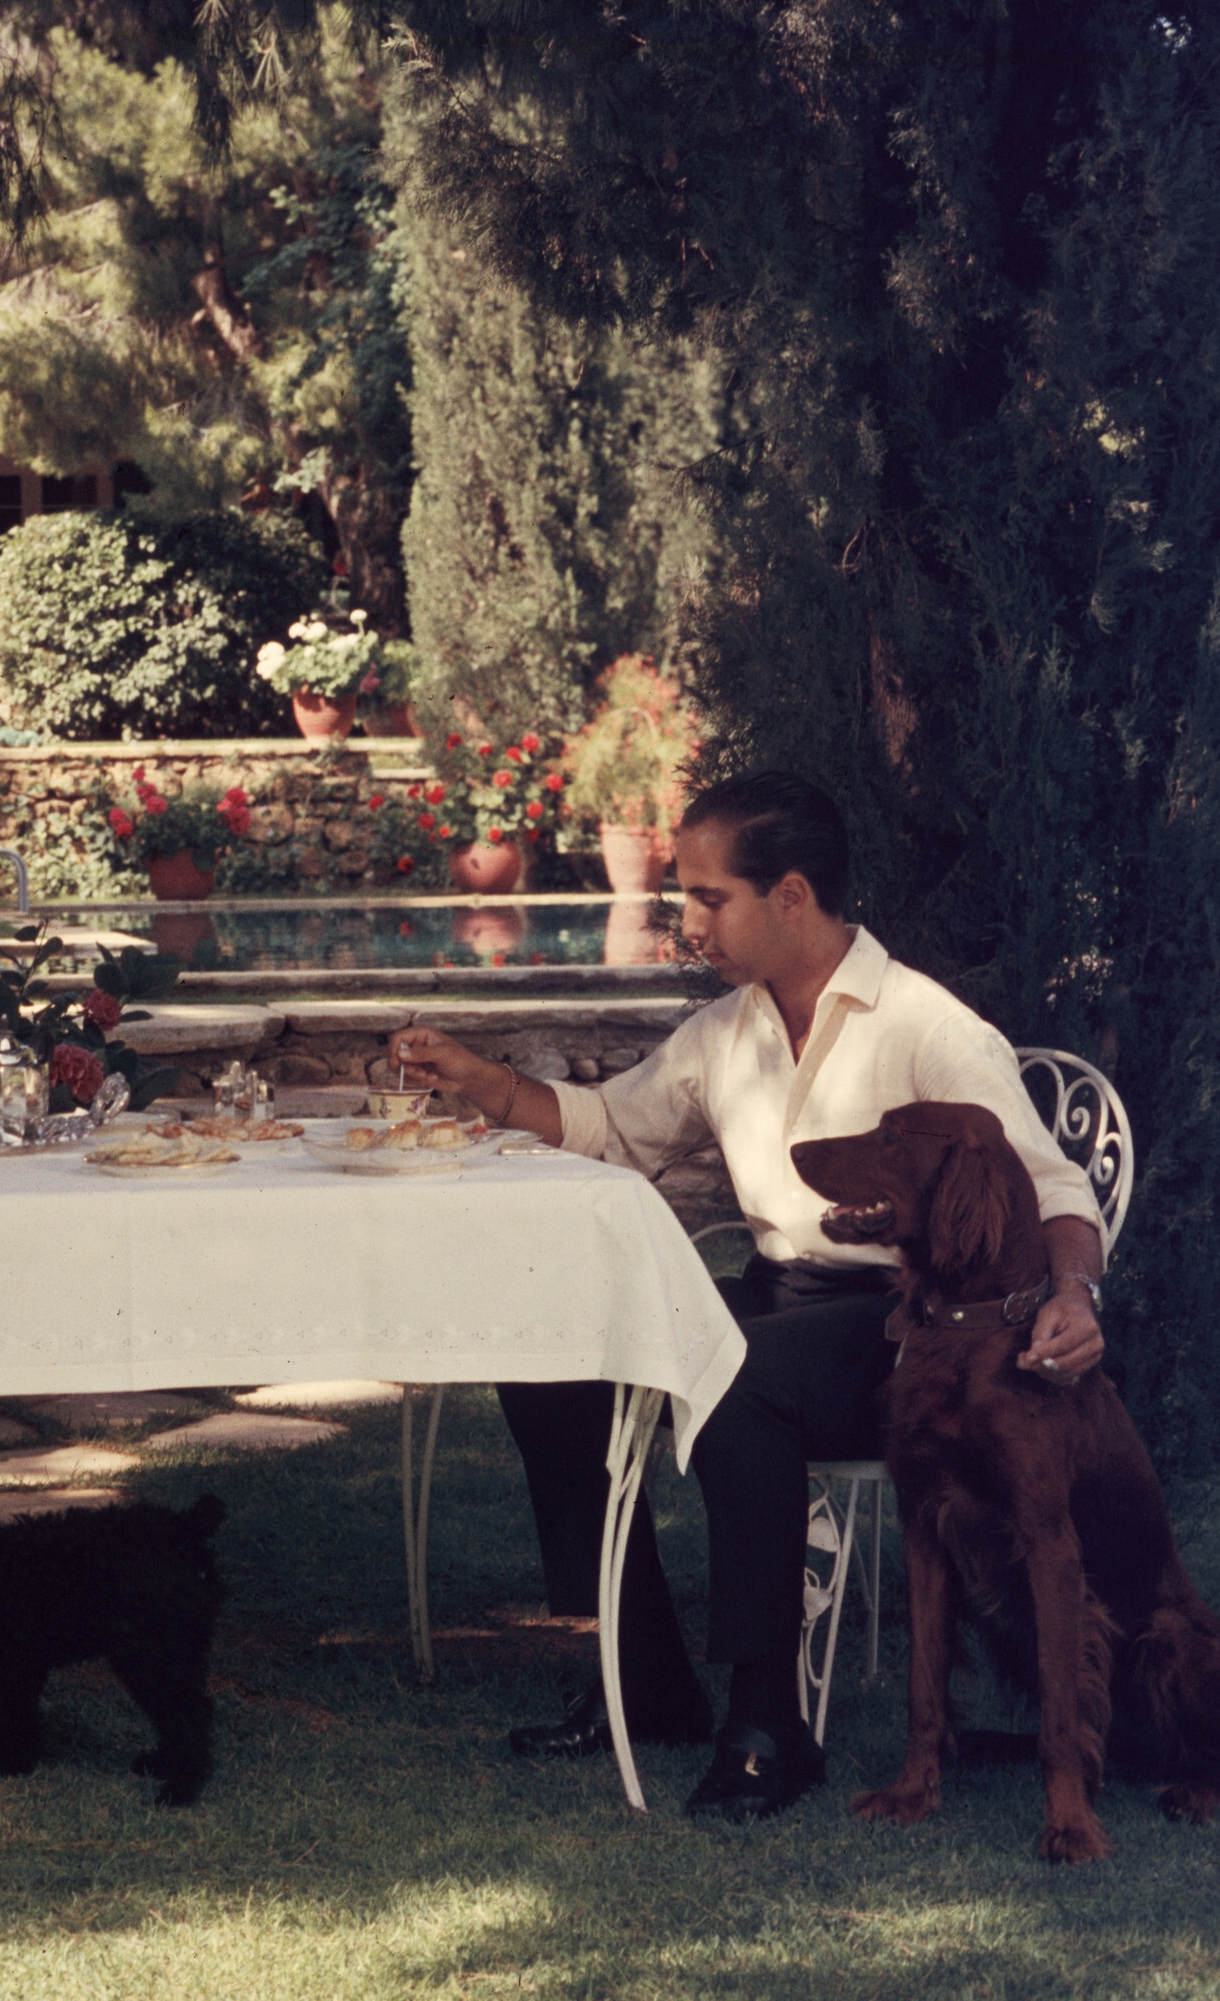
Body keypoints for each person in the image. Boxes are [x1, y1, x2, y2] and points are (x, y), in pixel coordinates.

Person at [392, 769, 1109, 1821]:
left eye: (706, 898)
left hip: (899, 1326)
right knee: (553, 1362)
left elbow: (1051, 1183)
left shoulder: (927, 1027)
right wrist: (481, 1078)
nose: (687, 924)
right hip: (776, 1297)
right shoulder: (730, 1031)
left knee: (738, 1383)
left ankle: (769, 1718)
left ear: (790, 895)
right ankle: (645, 1687)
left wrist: (1075, 1291)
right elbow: (610, 1127)